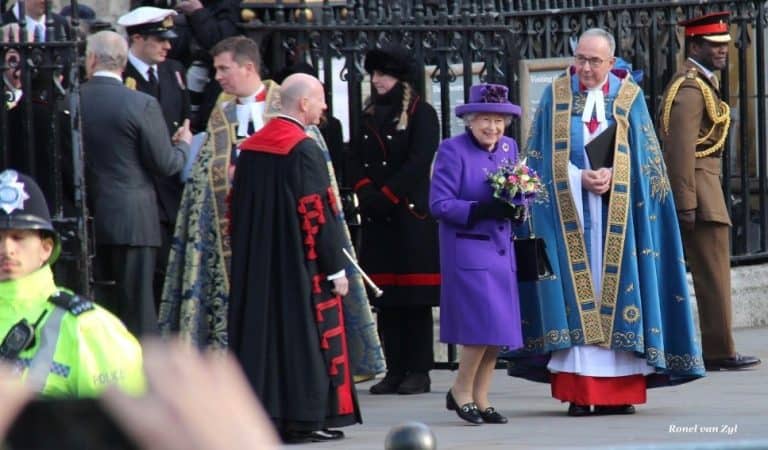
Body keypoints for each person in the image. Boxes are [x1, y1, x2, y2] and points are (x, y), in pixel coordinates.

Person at [506, 28, 704, 416]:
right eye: (580, 58)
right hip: (571, 218)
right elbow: (537, 159)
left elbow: (649, 166)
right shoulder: (555, 95)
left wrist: (616, 176)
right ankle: (580, 393)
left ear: (611, 63)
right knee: (576, 299)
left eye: (595, 61)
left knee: (619, 296)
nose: (585, 68)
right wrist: (578, 177)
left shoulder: (630, 98)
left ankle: (620, 393)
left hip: (620, 219)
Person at [228, 73, 361, 443]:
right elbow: (318, 213)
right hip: (298, 265)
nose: (324, 108)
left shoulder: (251, 148)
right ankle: (303, 417)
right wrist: (335, 267)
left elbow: (235, 207)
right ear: (303, 104)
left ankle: (267, 414)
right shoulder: (303, 148)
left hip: (258, 262)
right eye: (320, 100)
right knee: (302, 340)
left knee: (264, 338)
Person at [158, 35, 280, 348]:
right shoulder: (220, 112)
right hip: (229, 228)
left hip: (274, 227)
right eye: (216, 69)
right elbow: (203, 173)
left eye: (224, 69)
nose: (218, 77)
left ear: (249, 67)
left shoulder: (283, 105)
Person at [658, 11, 760, 371]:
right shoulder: (689, 88)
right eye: (714, 46)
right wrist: (686, 204)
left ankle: (718, 348)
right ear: (694, 45)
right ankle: (719, 351)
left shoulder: (700, 83)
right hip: (700, 193)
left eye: (725, 45)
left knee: (714, 274)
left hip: (707, 188)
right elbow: (680, 150)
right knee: (712, 275)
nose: (722, 51)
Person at [80, 30, 192, 336]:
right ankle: (143, 379)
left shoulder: (70, 99)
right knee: (139, 311)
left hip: (86, 219)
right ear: (123, 63)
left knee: (95, 310)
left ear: (90, 59)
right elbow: (166, 164)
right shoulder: (140, 103)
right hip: (134, 221)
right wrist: (183, 145)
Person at [0, 169, 144, 397]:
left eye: (18, 237)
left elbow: (122, 425)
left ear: (46, 248)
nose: (7, 250)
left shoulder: (90, 328)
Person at [429, 83, 524, 425]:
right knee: (479, 330)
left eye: (499, 120)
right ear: (469, 120)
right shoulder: (451, 150)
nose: (492, 128)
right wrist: (482, 209)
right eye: (485, 119)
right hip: (468, 250)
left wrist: (518, 207)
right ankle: (460, 391)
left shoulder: (509, 147)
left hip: (501, 251)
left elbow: (517, 189)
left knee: (497, 332)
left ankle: (482, 397)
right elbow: (439, 205)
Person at [349, 43, 441, 395]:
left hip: (409, 218)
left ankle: (419, 370)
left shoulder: (423, 114)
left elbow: (418, 162)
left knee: (414, 301)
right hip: (378, 218)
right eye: (373, 74)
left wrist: (386, 196)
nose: (377, 80)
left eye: (383, 74)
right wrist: (365, 192)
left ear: (400, 77)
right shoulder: (368, 115)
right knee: (386, 300)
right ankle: (395, 368)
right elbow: (354, 157)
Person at [118, 6, 192, 305]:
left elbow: (185, 115)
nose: (168, 46)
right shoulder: (123, 77)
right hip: (146, 190)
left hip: (174, 187)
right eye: (159, 39)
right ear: (137, 39)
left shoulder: (174, 70)